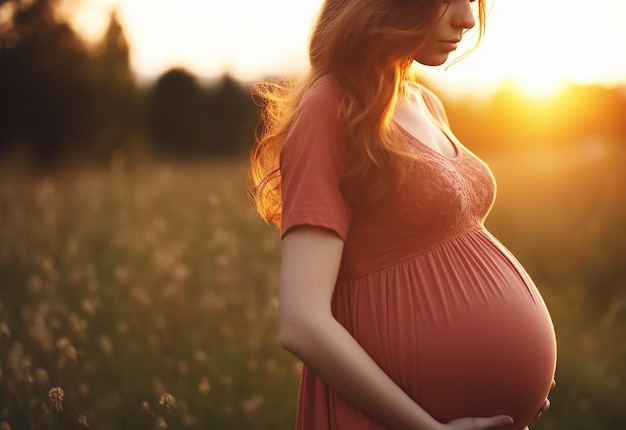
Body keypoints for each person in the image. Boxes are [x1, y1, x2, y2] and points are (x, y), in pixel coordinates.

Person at [249, 0, 557, 429]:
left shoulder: (425, 102)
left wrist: (519, 381)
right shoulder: (333, 108)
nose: (468, 18)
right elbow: (302, 322)